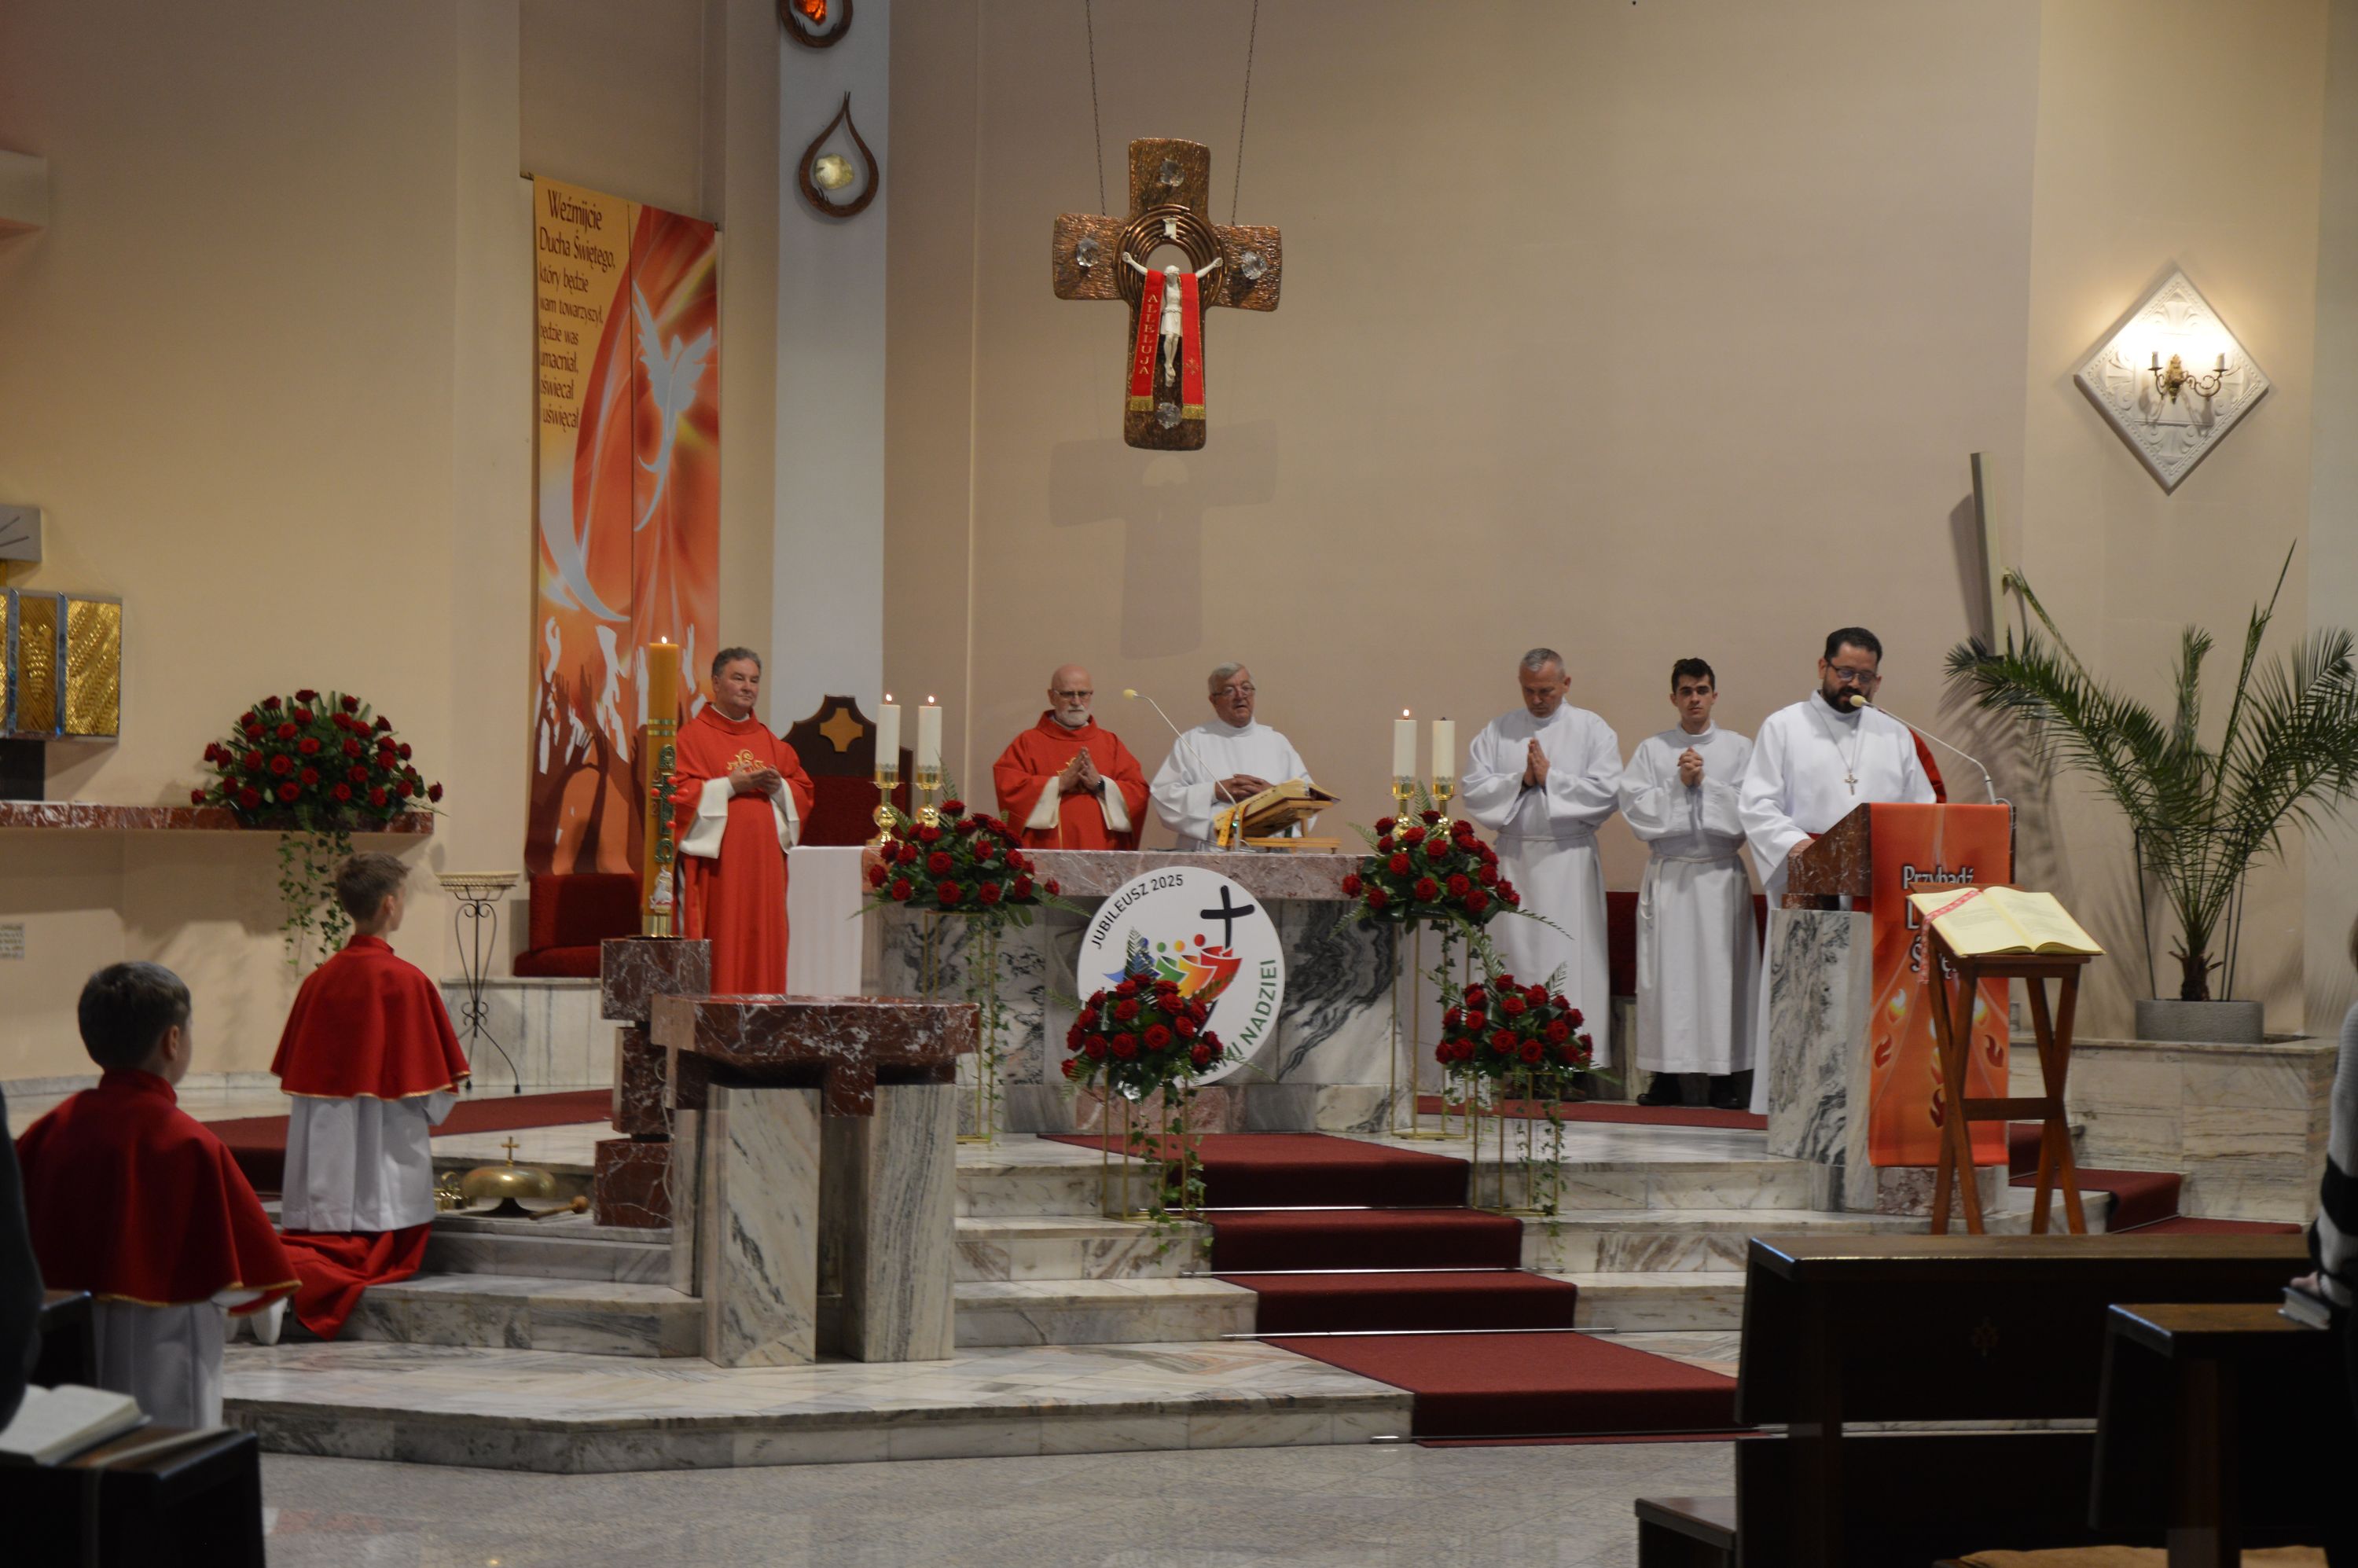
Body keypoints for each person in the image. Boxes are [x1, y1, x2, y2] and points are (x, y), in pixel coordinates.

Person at [14, 964, 296, 1427]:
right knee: (168, 1457)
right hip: (167, 1351)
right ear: (173, 1040)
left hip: (64, 1347)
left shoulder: (45, 1134)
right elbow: (243, 1281)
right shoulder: (190, 1144)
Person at [272, 853, 471, 1339]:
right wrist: (429, 1101)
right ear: (389, 905)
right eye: (402, 897)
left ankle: (279, 1289)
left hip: (323, 1150)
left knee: (324, 1231)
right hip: (384, 1146)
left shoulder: (317, 983)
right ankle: (302, 1290)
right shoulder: (406, 981)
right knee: (374, 1240)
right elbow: (434, 1087)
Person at [1736, 626, 1934, 1114]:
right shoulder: (1784, 727)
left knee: (1867, 1005)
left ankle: (1870, 1106)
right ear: (1822, 667)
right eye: (1845, 672)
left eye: (1866, 677)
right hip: (1811, 888)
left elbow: (1922, 810)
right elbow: (1757, 804)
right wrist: (1800, 847)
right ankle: (1802, 1110)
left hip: (1877, 898)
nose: (1855, 684)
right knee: (1811, 1005)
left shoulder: (1895, 734)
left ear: (1878, 680)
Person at [1462, 648, 1623, 1071]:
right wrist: (1521, 781)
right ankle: (1517, 1064)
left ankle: (1572, 1064)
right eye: (1529, 691)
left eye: (1546, 691)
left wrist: (1553, 780)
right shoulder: (1498, 730)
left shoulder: (1592, 729)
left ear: (1566, 684)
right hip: (1515, 861)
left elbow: (1609, 791)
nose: (1537, 700)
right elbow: (1474, 788)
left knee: (1570, 960)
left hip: (1569, 862)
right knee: (1515, 959)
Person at [1618, 658, 1758, 1109]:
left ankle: (1723, 1077)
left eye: (1701, 690)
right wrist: (1680, 784)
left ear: (1715, 695)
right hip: (1672, 877)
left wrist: (1707, 783)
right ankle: (1665, 1075)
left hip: (1719, 876)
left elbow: (1754, 809)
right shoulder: (1652, 750)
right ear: (1673, 697)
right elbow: (1635, 809)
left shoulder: (1739, 748)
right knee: (1669, 978)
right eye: (1686, 691)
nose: (1694, 698)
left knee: (1721, 977)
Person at [674, 647, 817, 993]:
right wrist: (729, 786)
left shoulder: (771, 742)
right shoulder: (690, 739)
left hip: (765, 871)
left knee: (762, 943)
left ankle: (763, 1013)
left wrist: (778, 787)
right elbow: (675, 796)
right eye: (738, 678)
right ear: (715, 683)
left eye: (754, 680)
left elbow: (804, 791)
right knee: (723, 942)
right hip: (718, 872)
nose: (747, 687)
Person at [1149, 662, 1313, 851]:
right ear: (1214, 701)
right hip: (1211, 854)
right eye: (1229, 690)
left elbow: (1308, 798)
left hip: (1269, 856)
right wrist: (1213, 791)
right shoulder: (1192, 741)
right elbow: (1164, 797)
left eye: (1246, 688)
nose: (1240, 695)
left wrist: (1274, 794)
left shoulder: (1277, 743)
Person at [992, 665, 1151, 850]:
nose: (1076, 702)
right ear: (1052, 697)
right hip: (1045, 850)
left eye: (1083, 694)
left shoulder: (1111, 743)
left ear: (1091, 695)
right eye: (1068, 694)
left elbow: (1138, 793)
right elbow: (1010, 790)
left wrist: (1100, 784)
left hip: (1102, 849)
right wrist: (1059, 784)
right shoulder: (1028, 742)